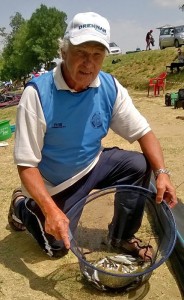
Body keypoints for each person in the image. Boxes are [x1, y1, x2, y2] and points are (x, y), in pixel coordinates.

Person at [8, 12, 177, 259]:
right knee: (57, 247)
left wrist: (162, 173)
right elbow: (26, 164)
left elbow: (144, 131)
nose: (89, 63)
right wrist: (50, 210)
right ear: (64, 52)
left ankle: (121, 237)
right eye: (81, 53)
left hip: (93, 164)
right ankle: (21, 205)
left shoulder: (109, 86)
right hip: (56, 182)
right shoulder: (37, 95)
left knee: (140, 165)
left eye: (97, 55)